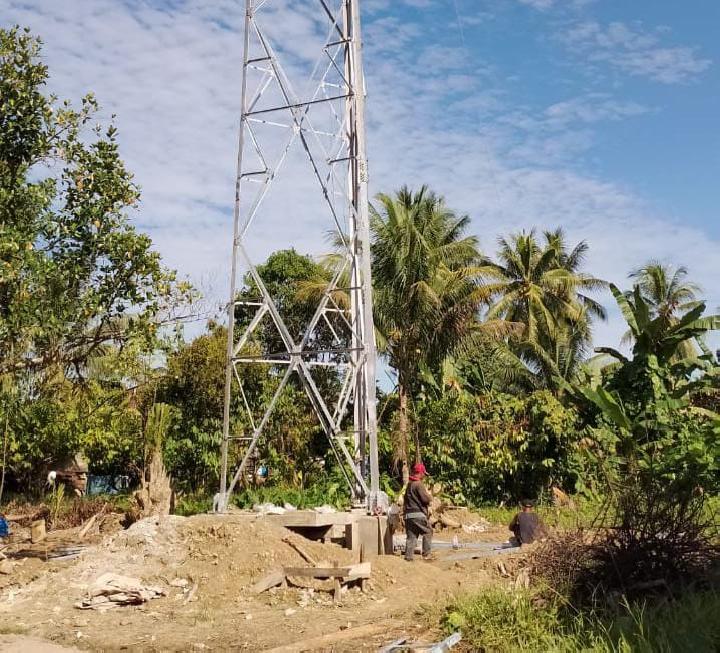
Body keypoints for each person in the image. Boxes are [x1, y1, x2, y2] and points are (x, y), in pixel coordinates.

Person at [403, 462, 434, 561]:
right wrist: (430, 496)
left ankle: (408, 557)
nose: (424, 476)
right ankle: (426, 555)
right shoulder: (418, 484)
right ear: (420, 473)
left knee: (412, 536)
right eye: (423, 474)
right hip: (418, 514)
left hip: (408, 516)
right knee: (428, 531)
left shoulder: (409, 485)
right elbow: (425, 499)